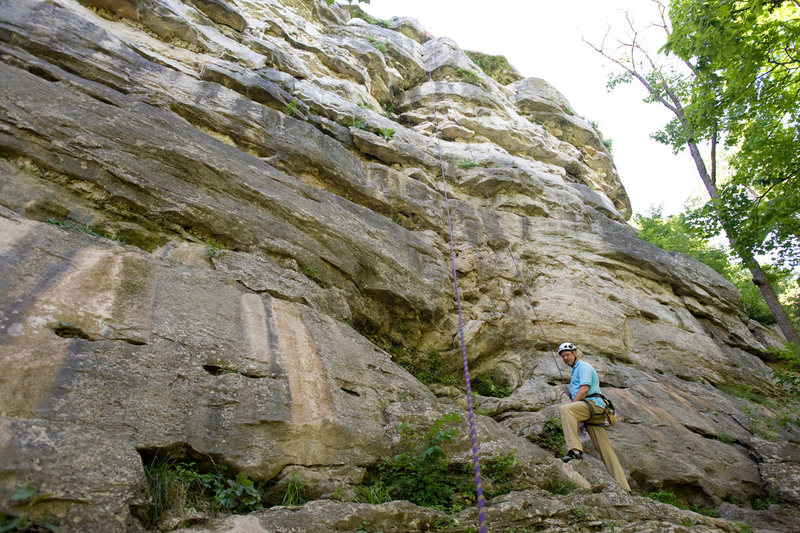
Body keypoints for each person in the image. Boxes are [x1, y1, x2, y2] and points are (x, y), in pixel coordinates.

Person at [557, 342, 631, 491]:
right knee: (605, 449)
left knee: (566, 409)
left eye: (568, 354)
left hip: (593, 404)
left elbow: (584, 389)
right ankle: (624, 487)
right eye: (563, 356)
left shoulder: (583, 367)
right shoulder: (576, 370)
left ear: (575, 353)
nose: (565, 358)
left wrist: (574, 409)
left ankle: (575, 451)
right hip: (593, 409)